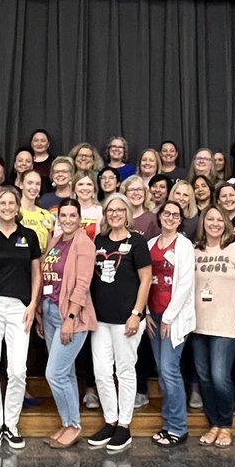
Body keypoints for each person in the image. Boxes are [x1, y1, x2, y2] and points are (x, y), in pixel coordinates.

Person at [0, 187, 42, 449]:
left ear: (17, 207)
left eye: (12, 202)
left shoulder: (29, 236)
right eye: (3, 202)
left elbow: (36, 273)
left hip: (19, 308)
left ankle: (11, 424)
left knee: (17, 369)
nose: (8, 206)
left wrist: (33, 304)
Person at [84, 193, 152, 453]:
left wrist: (137, 313)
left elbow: (146, 280)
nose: (114, 214)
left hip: (127, 320)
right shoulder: (98, 241)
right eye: (110, 210)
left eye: (119, 210)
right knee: (101, 371)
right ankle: (110, 420)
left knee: (125, 371)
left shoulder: (137, 242)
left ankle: (124, 425)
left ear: (127, 214)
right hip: (100, 320)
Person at [192, 206, 235, 448]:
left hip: (226, 325)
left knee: (219, 376)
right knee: (205, 378)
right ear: (203, 223)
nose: (215, 223)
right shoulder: (194, 250)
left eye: (220, 219)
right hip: (198, 326)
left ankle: (226, 425)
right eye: (210, 219)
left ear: (226, 223)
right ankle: (214, 423)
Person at [40, 199, 97, 449]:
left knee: (54, 373)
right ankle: (68, 422)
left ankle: (75, 426)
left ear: (79, 217)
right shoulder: (55, 241)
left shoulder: (83, 243)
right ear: (58, 217)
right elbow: (46, 275)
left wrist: (70, 319)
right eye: (64, 215)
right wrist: (42, 314)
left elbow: (82, 285)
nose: (68, 219)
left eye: (73, 215)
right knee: (67, 372)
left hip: (70, 316)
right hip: (50, 310)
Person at [146, 201, 197, 447]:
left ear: (180, 220)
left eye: (175, 215)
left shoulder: (184, 245)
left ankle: (178, 427)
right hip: (153, 316)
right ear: (160, 216)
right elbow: (144, 281)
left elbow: (186, 285)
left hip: (172, 318)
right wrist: (146, 313)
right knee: (163, 372)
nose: (170, 218)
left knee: (169, 370)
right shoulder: (150, 245)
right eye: (166, 213)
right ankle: (168, 424)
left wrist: (168, 318)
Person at [18, 171, 55, 251]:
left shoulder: (45, 215)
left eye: (37, 184)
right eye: (30, 183)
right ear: (21, 184)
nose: (34, 187)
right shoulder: (13, 212)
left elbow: (49, 246)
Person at [71, 173, 103, 240]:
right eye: (80, 184)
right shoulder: (66, 210)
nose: (85, 188)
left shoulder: (101, 212)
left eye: (89, 184)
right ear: (74, 189)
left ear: (94, 189)